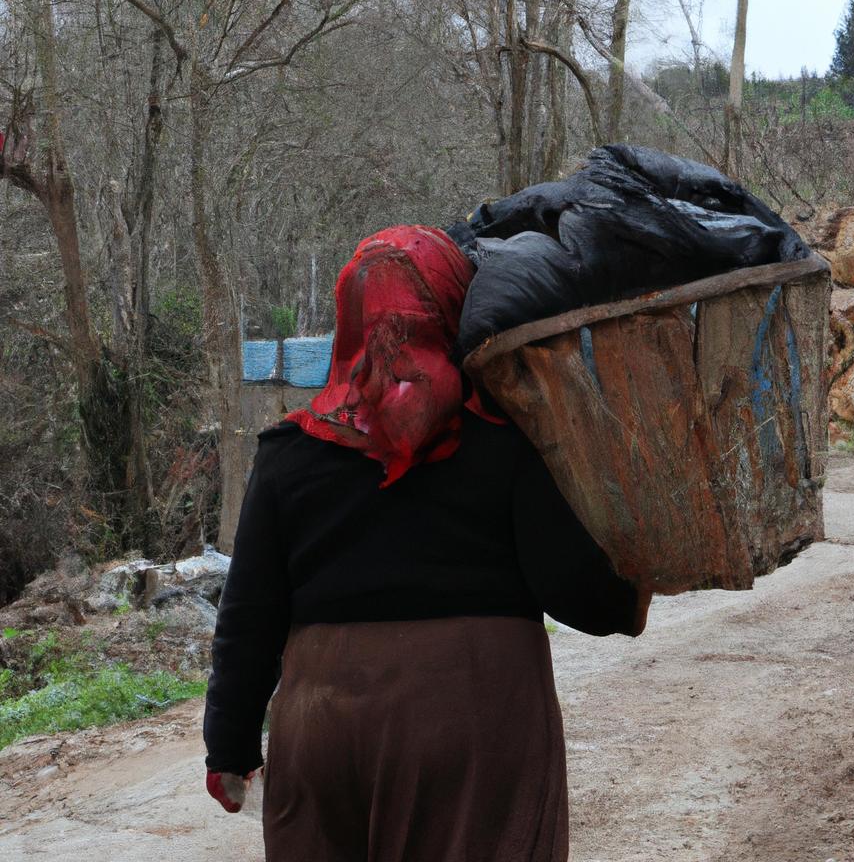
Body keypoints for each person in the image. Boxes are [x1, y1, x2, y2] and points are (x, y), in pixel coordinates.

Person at [203, 225, 648, 862]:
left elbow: (249, 613)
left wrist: (229, 744)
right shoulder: (508, 440)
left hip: (322, 727)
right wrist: (629, 590)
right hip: (472, 722)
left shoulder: (287, 454)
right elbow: (572, 587)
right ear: (452, 311)